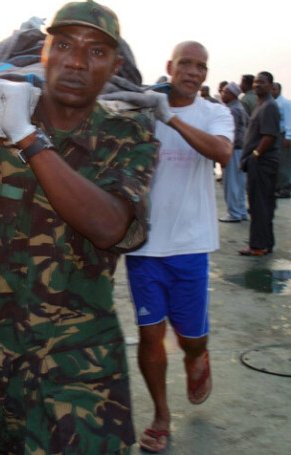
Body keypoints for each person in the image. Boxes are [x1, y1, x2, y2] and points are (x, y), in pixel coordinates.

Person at [0, 0, 159, 454]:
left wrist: (27, 137)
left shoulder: (129, 136)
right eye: (64, 44)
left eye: (96, 51)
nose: (77, 61)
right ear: (44, 52)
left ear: (114, 66)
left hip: (77, 369)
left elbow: (109, 226)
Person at [124, 41, 233, 453]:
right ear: (170, 66)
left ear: (206, 74)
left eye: (200, 66)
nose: (192, 71)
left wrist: (171, 120)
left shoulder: (215, 113)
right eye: (185, 63)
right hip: (145, 247)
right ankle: (161, 416)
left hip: (190, 246)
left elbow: (222, 151)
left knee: (192, 340)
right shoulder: (142, 109)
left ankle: (196, 357)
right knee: (150, 336)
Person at [238, 71, 281, 256]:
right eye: (255, 82)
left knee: (260, 204)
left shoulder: (269, 107)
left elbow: (269, 135)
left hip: (262, 163)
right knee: (261, 204)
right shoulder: (260, 105)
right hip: (258, 162)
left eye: (262, 82)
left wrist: (255, 154)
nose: (257, 85)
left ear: (271, 86)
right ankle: (265, 243)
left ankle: (258, 245)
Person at [219, 82, 249, 221]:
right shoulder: (239, 108)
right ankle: (241, 211)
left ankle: (234, 213)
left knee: (231, 184)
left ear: (232, 94)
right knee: (239, 183)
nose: (222, 94)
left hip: (233, 150)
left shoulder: (232, 110)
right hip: (240, 150)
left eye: (225, 92)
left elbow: (232, 134)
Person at [272, 82, 291, 198]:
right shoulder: (273, 103)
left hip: (283, 135)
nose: (272, 91)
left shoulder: (284, 103)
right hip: (275, 135)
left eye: (274, 89)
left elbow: (289, 121)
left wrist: (288, 137)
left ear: (279, 90)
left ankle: (286, 188)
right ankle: (279, 186)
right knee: (277, 162)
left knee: (284, 163)